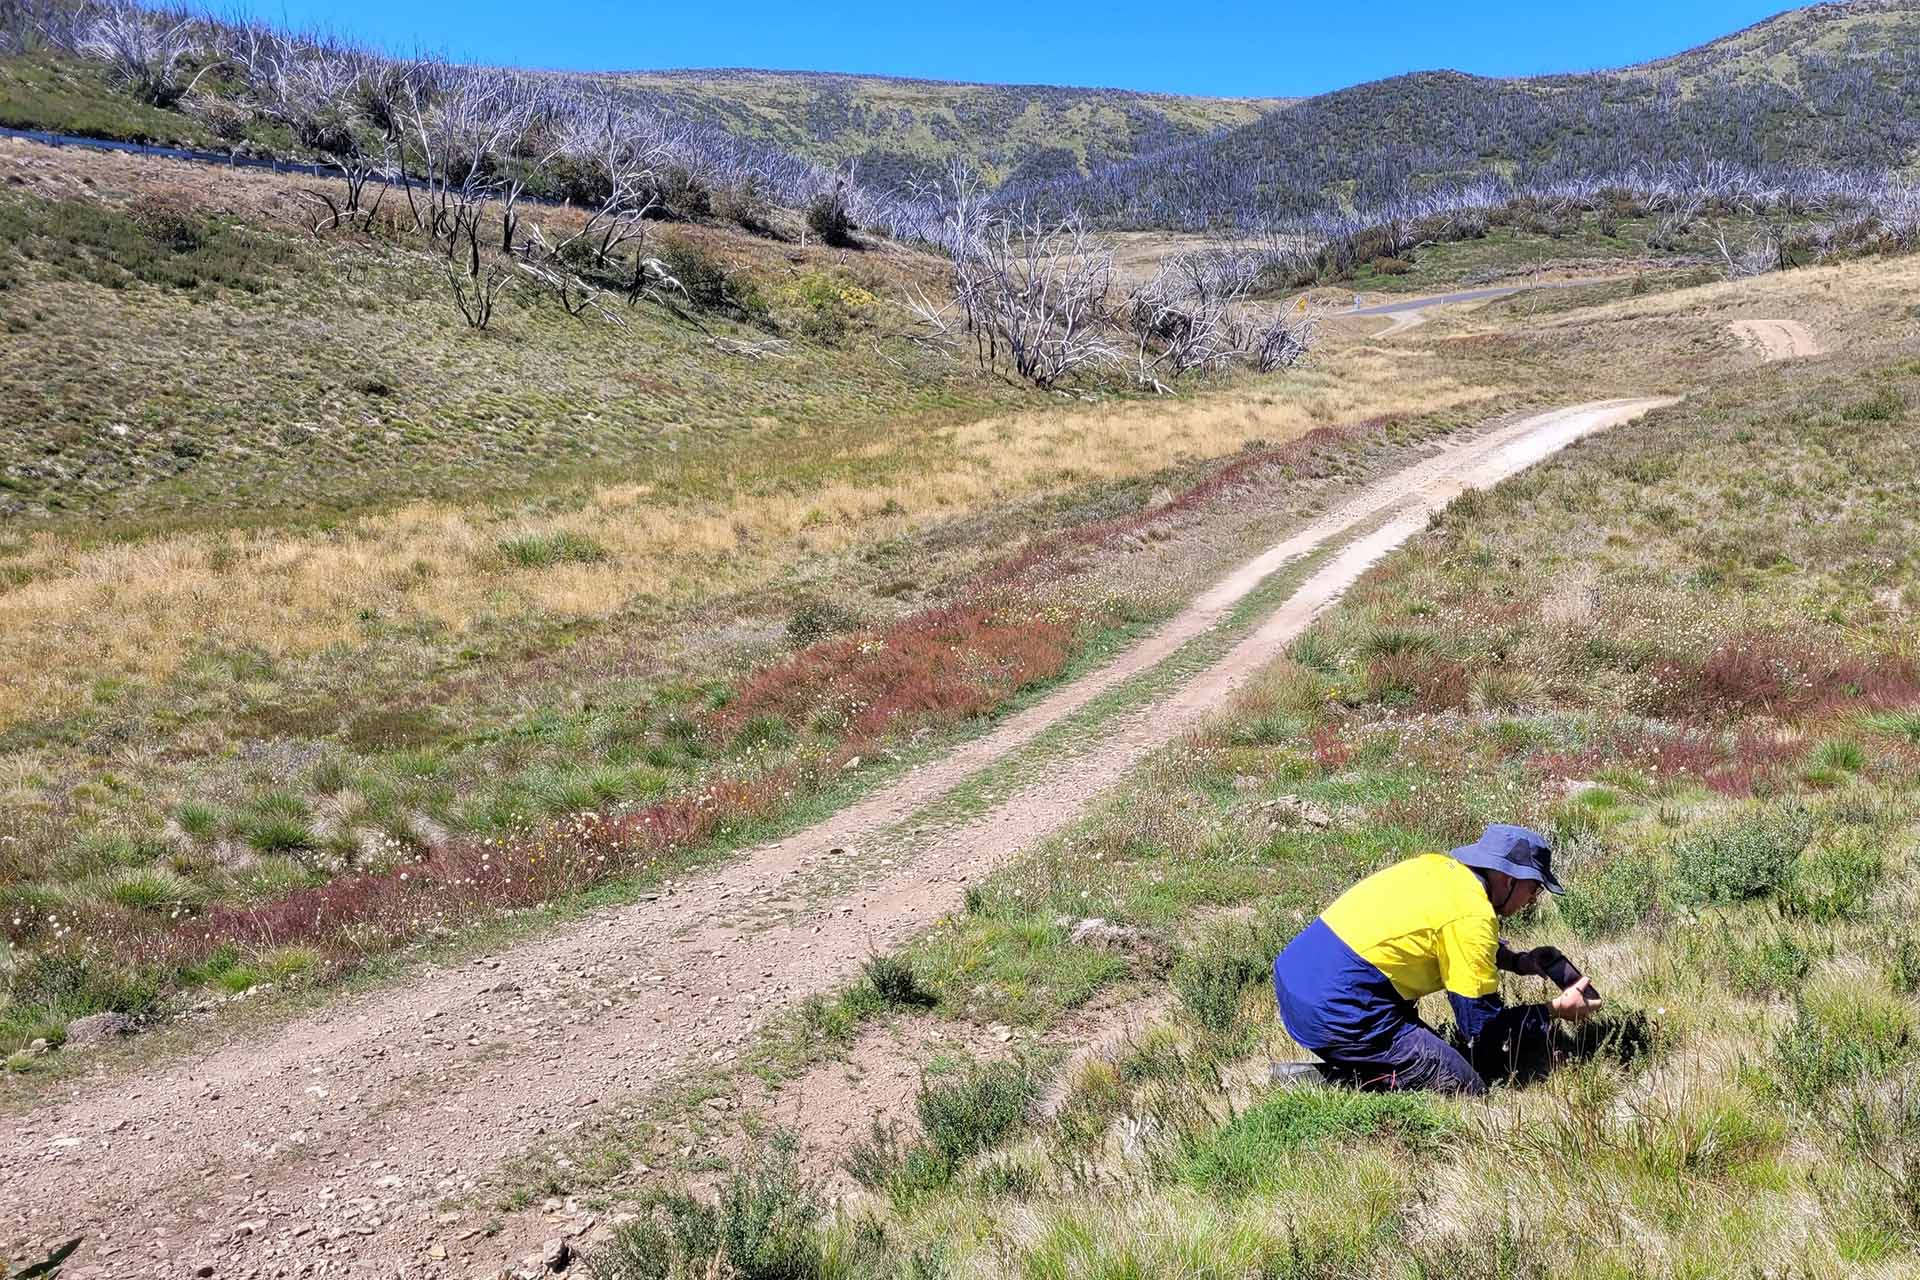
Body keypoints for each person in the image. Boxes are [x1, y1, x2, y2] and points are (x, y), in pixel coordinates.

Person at [1271, 824, 1600, 1095]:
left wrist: (1518, 962)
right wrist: (1554, 1011)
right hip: (1334, 1006)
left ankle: (1356, 1064)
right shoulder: (1472, 917)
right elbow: (1483, 1031)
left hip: (1299, 976)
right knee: (1464, 1086)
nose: (1532, 901)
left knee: (1444, 1058)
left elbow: (1444, 933)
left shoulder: (1439, 868)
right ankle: (1309, 1082)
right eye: (1534, 889)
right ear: (1508, 879)